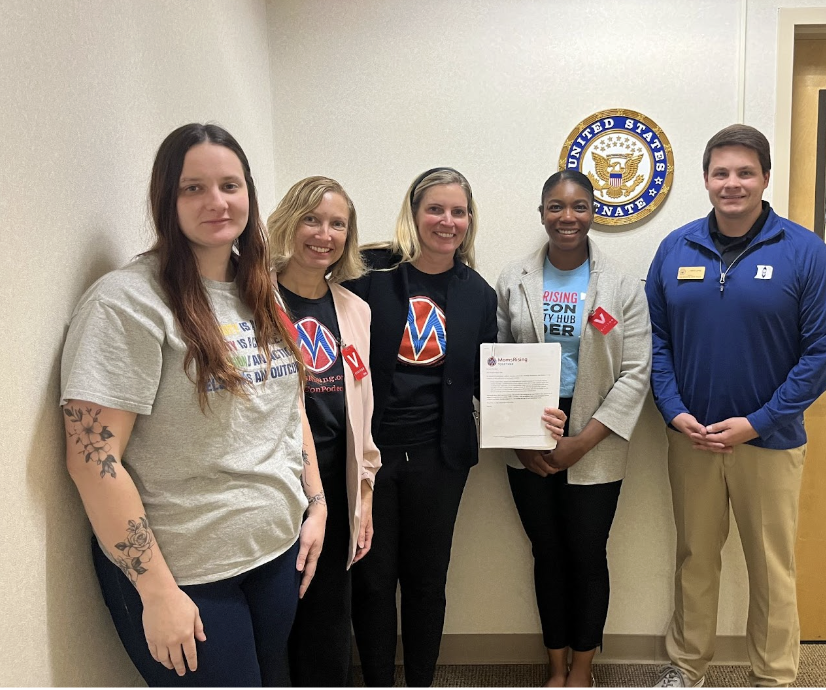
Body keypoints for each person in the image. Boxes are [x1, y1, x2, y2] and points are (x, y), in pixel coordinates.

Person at [59, 123, 327, 687]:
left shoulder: (261, 288)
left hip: (274, 551)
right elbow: (92, 461)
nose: (216, 201)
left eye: (230, 185)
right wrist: (156, 591)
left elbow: (287, 405)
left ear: (249, 194)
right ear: (165, 198)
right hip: (187, 574)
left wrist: (317, 502)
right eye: (192, 188)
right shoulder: (126, 303)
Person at [344, 167, 565, 687]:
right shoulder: (369, 275)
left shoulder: (478, 295)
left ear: (470, 220)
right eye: (435, 209)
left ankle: (421, 679)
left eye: (459, 211)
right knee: (373, 581)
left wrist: (533, 415)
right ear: (414, 213)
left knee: (426, 581)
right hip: (369, 454)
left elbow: (485, 381)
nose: (447, 221)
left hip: (439, 458)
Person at [645, 125, 826, 688]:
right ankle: (687, 667)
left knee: (771, 568)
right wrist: (672, 408)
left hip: (771, 442)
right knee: (695, 560)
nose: (731, 184)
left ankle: (773, 676)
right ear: (706, 179)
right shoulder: (676, 249)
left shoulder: (804, 252)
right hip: (692, 439)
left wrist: (759, 421)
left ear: (763, 178)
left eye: (744, 172)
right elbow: (655, 343)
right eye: (720, 172)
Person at [495, 170, 652, 687]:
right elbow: (493, 363)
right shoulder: (513, 279)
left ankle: (583, 669)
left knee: (586, 554)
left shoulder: (624, 287)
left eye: (579, 207)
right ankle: (555, 666)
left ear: (593, 213)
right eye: (557, 207)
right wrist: (519, 441)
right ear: (542, 212)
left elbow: (636, 372)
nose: (568, 218)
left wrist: (583, 440)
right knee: (547, 553)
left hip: (596, 435)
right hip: (526, 434)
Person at [266, 176, 381, 686]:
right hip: (275, 485)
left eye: (337, 224)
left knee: (329, 621)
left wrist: (365, 495)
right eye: (312, 219)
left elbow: (364, 410)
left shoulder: (356, 311)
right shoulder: (253, 299)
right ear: (289, 222)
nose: (324, 234)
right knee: (277, 617)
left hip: (337, 483)